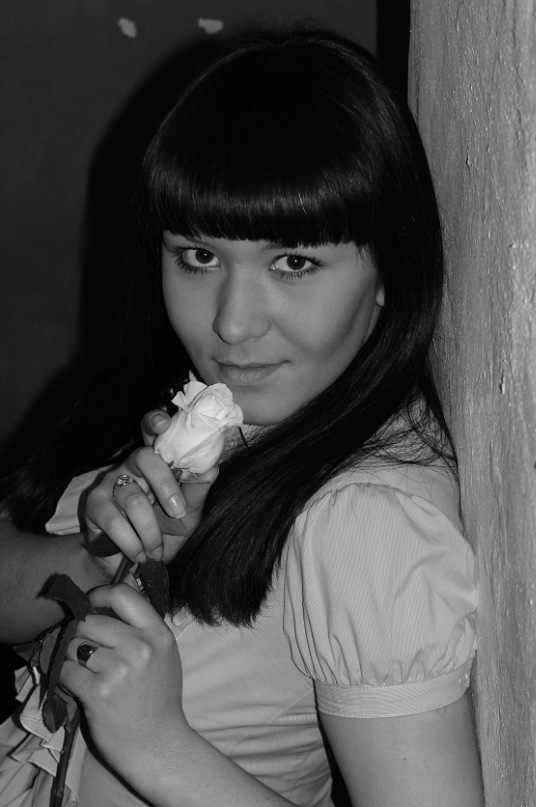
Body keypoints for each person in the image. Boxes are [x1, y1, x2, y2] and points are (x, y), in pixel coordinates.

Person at [0, 25, 483, 807]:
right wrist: (102, 552)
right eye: (199, 256)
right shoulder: (204, 404)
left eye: (293, 262)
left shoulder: (367, 521)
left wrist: (158, 744)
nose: (230, 323)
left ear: (390, 270)